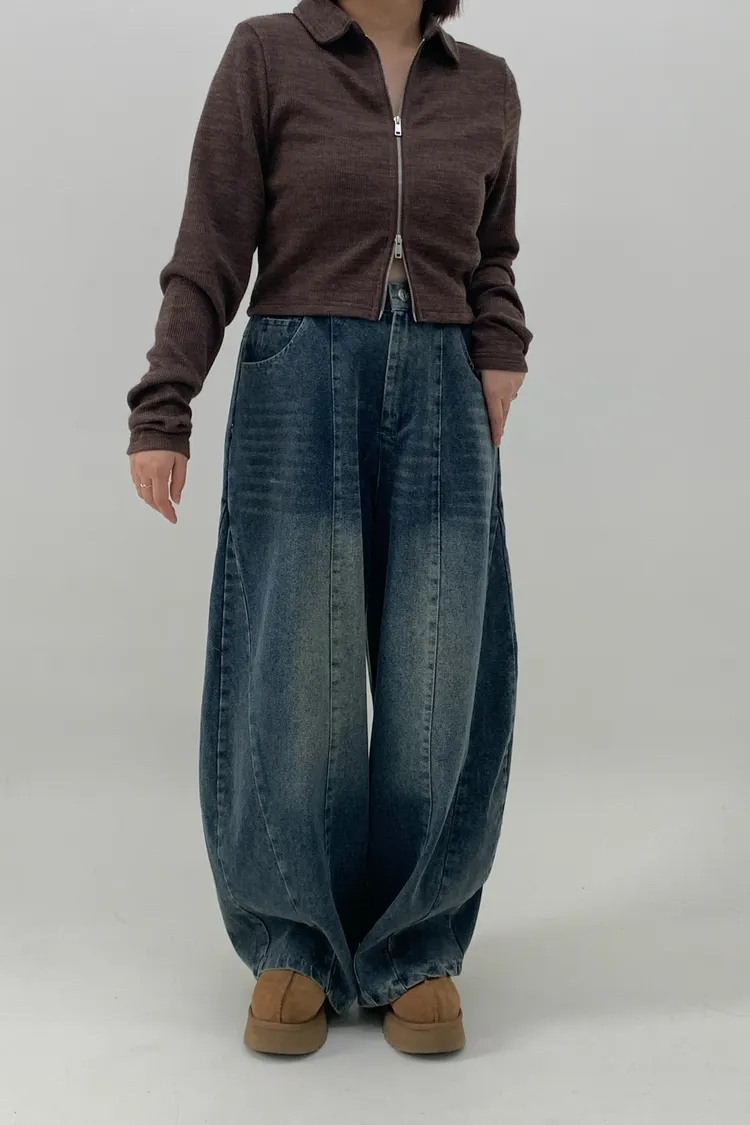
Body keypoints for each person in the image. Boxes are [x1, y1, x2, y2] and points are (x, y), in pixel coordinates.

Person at [125, 0, 532, 1056]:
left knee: (439, 673)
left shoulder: (486, 84)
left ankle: (416, 945)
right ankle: (294, 942)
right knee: (298, 671)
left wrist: (499, 350)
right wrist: (164, 403)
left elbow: (493, 252)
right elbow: (211, 241)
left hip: (445, 388)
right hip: (299, 380)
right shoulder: (267, 54)